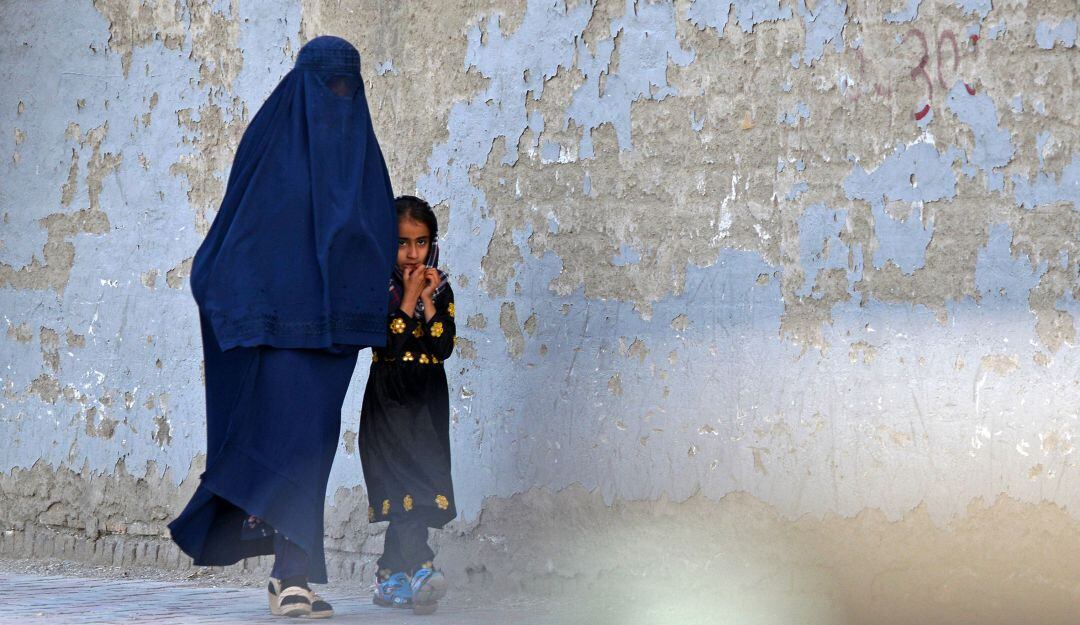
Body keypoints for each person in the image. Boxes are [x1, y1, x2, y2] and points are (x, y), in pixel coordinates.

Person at [168, 35, 396, 620]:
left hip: (335, 336)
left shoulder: (363, 157)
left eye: (347, 87)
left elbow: (376, 234)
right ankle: (291, 577)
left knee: (313, 451)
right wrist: (238, 302)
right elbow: (236, 231)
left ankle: (289, 576)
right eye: (328, 86)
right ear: (303, 86)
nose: (338, 98)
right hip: (278, 332)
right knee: (288, 449)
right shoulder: (271, 143)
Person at [360, 195, 457, 615]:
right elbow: (388, 343)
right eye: (402, 242)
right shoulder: (376, 287)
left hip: (427, 403)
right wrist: (408, 296)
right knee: (404, 490)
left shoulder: (442, 287)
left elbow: (442, 346)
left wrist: (428, 298)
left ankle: (389, 576)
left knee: (418, 489)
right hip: (389, 402)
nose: (413, 253)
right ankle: (421, 568)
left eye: (421, 242)